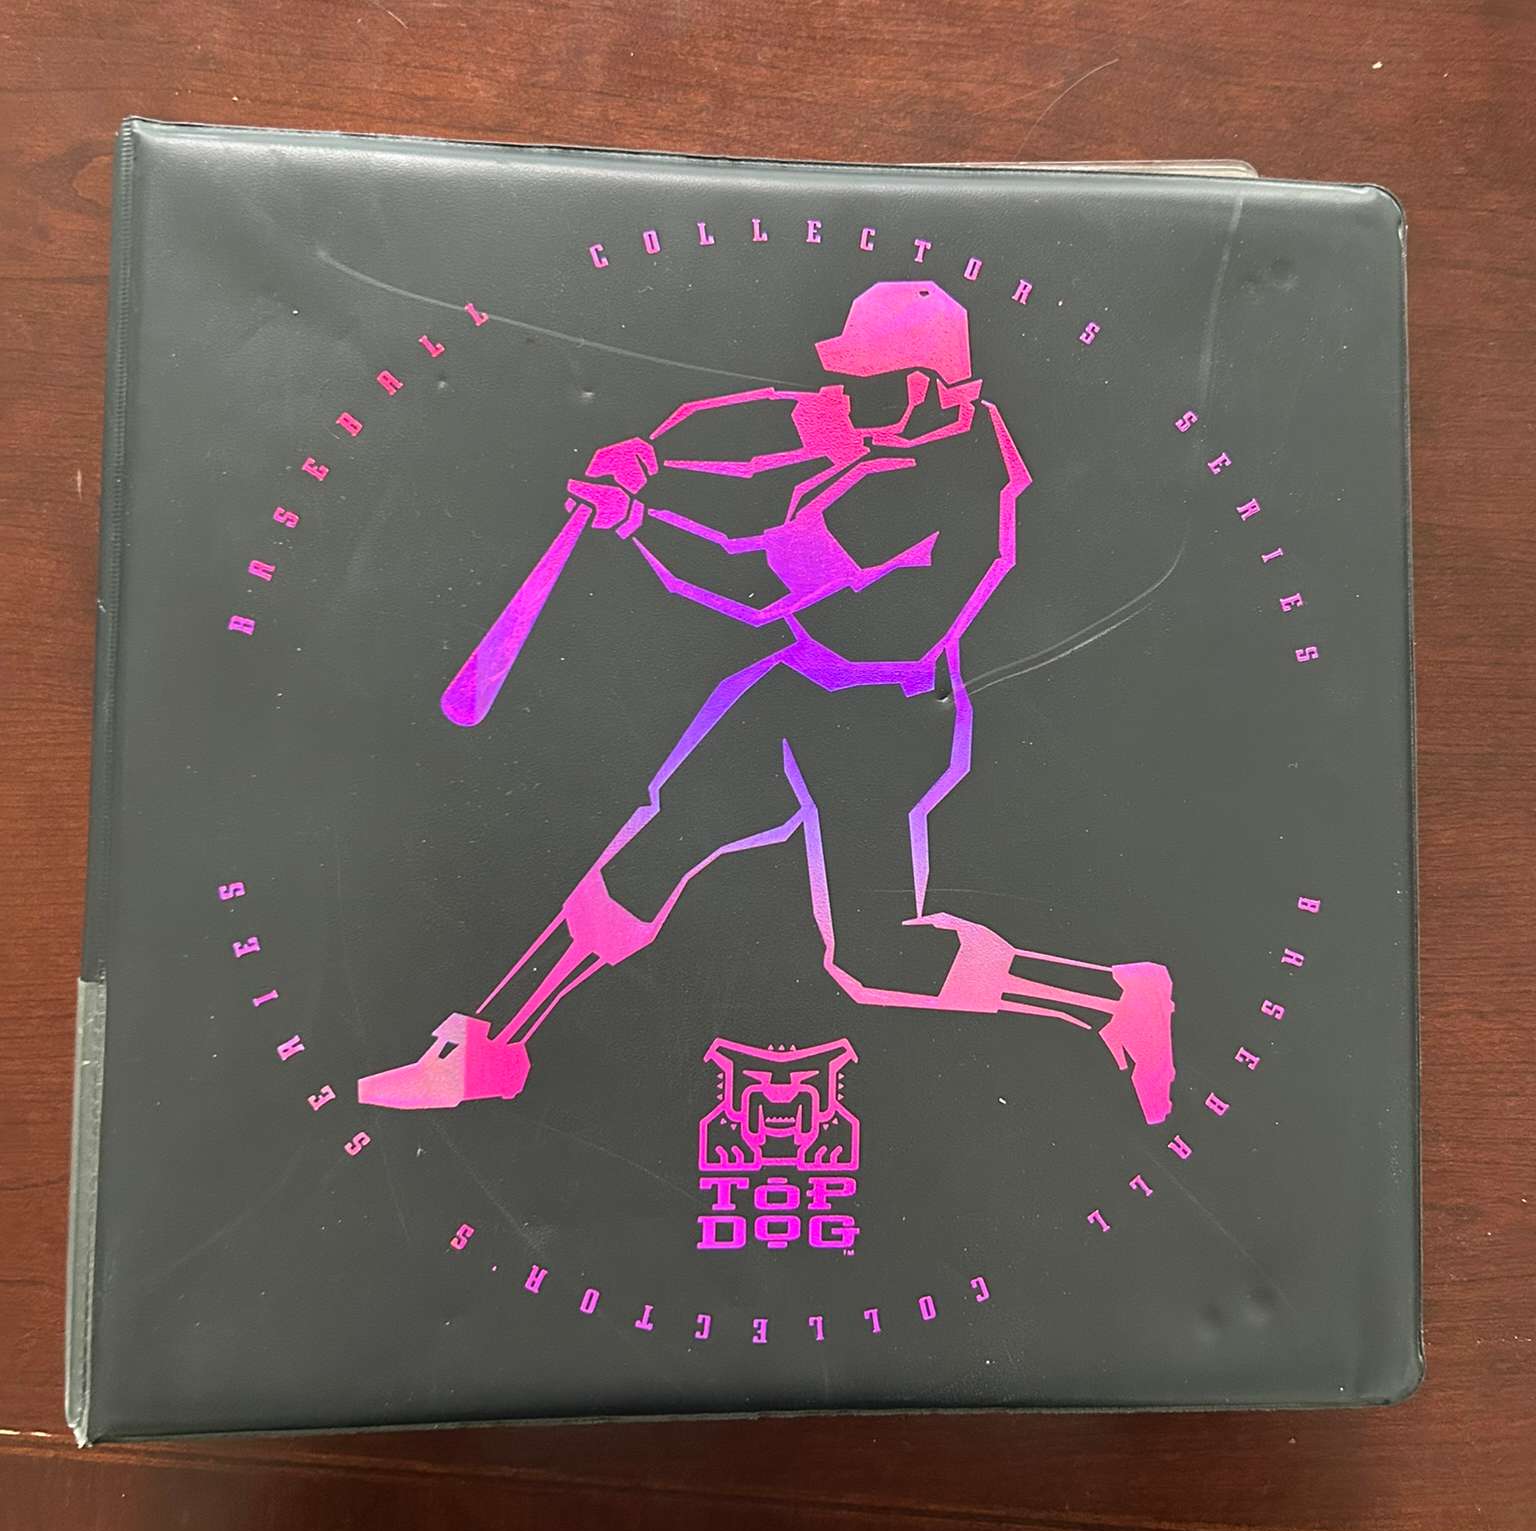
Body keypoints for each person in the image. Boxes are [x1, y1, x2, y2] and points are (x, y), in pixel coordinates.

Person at [359, 281, 1178, 1125]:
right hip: (805, 686)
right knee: (663, 839)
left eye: (868, 389)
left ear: (929, 388)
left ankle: (1115, 999)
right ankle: (488, 1048)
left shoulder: (934, 487)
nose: (847, 406)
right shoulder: (920, 415)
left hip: (878, 726)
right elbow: (779, 421)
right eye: (851, 386)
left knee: (875, 958)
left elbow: (754, 582)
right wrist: (655, 450)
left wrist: (635, 519)